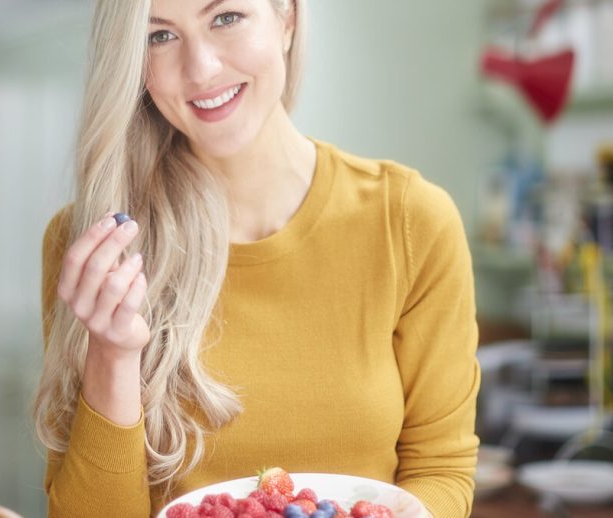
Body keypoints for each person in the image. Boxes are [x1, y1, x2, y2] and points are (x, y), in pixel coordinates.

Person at [32, 0, 480, 517]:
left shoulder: (409, 221)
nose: (200, 68)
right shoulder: (95, 246)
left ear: (286, 17)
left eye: (225, 17)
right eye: (160, 36)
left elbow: (441, 474)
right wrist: (112, 354)